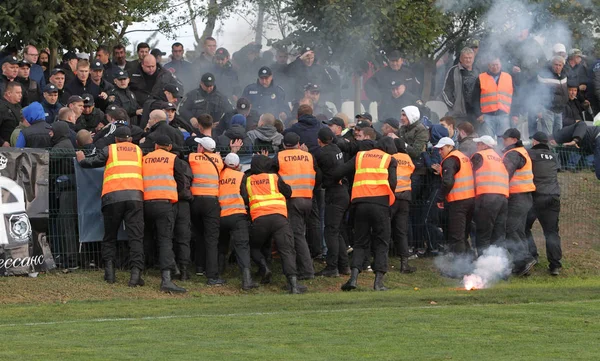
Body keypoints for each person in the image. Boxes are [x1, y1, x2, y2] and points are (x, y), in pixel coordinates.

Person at [76, 126, 145, 287]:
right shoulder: (138, 151)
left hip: (113, 197)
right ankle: (135, 275)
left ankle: (110, 274)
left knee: (110, 236)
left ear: (115, 139)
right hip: (135, 197)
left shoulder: (110, 150)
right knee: (136, 237)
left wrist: (81, 159)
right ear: (130, 139)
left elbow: (93, 162)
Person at [335, 137, 397, 291]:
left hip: (360, 205)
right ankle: (378, 283)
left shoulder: (360, 156)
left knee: (360, 242)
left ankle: (353, 279)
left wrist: (338, 181)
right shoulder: (390, 159)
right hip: (380, 205)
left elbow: (340, 171)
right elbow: (393, 183)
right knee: (382, 242)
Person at [245, 154, 305, 294]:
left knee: (254, 247)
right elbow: (288, 193)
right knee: (287, 250)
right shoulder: (274, 177)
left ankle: (264, 267)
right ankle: (293, 285)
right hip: (279, 219)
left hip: (259, 219)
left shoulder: (248, 180)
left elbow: (244, 197)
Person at [141, 134, 188, 293]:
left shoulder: (145, 158)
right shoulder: (172, 158)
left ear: (155, 146)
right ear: (169, 147)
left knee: (145, 238)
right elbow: (182, 183)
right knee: (165, 240)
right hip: (165, 204)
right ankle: (166, 279)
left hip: (146, 203)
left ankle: (139, 272)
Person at [273, 132, 319, 280]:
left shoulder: (280, 156)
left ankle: (306, 271)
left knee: (297, 235)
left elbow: (269, 171)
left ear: (284, 144)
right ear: (299, 144)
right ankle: (305, 266)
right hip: (308, 198)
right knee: (302, 233)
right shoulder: (309, 156)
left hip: (292, 200)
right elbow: (318, 174)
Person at [189, 136, 226, 285]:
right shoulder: (219, 161)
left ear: (201, 149)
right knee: (211, 238)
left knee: (198, 234)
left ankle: (199, 266)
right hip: (211, 201)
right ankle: (212, 275)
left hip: (195, 201)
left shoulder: (192, 157)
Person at [217, 153, 257, 290]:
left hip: (221, 215)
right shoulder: (241, 176)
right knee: (242, 246)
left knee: (221, 244)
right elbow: (245, 197)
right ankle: (246, 280)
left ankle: (219, 273)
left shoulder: (218, 175)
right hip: (237, 215)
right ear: (238, 165)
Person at [501, 128, 537, 276]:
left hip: (517, 196)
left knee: (509, 229)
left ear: (514, 140)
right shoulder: (521, 151)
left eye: (505, 138)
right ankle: (522, 266)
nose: (503, 141)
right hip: (525, 196)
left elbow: (505, 173)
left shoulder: (513, 153)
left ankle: (524, 260)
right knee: (518, 230)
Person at [314, 127, 350, 276]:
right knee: (337, 231)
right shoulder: (336, 148)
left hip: (334, 194)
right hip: (343, 193)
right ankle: (344, 266)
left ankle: (332, 267)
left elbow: (319, 175)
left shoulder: (321, 154)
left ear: (319, 140)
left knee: (330, 232)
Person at [525, 132, 562, 275]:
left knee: (524, 227)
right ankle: (555, 265)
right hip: (553, 196)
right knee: (552, 232)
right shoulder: (554, 156)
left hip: (535, 196)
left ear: (534, 142)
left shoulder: (529, 154)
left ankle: (532, 256)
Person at [433, 137, 475, 256]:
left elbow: (448, 182)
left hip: (458, 202)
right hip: (470, 199)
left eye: (442, 149)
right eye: (439, 149)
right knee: (463, 235)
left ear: (450, 147)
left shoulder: (450, 160)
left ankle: (460, 267)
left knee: (457, 236)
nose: (440, 152)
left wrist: (440, 198)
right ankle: (469, 261)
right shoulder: (462, 157)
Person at [470, 135, 509, 255]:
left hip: (487, 197)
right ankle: (498, 266)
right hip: (503, 198)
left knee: (483, 233)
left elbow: (469, 173)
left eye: (479, 144)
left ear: (485, 145)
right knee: (498, 234)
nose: (477, 146)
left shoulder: (479, 156)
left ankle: (483, 265)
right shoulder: (499, 157)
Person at [390, 136, 416, 272]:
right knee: (401, 231)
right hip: (405, 197)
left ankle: (379, 260)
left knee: (384, 228)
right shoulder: (407, 158)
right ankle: (404, 264)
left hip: (392, 196)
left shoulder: (390, 157)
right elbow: (412, 170)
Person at [472, 56, 515, 139]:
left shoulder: (508, 77)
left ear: (500, 64)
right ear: (488, 66)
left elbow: (515, 97)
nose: (495, 67)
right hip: (487, 117)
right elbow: (475, 98)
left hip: (504, 115)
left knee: (504, 141)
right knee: (487, 141)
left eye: (497, 64)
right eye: (492, 65)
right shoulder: (481, 78)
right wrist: (478, 114)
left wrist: (515, 114)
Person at [442, 47, 479, 124]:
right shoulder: (453, 71)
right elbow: (446, 91)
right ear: (461, 59)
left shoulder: (478, 71)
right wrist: (454, 106)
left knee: (474, 135)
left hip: (475, 114)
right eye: (465, 58)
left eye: (470, 58)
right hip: (458, 115)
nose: (468, 60)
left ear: (473, 59)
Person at [536, 56, 569, 136]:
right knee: (548, 135)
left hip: (560, 110)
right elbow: (539, 93)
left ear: (562, 66)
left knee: (558, 135)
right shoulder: (545, 75)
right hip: (548, 110)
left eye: (559, 65)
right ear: (552, 65)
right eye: (556, 65)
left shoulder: (564, 75)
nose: (557, 67)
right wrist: (539, 109)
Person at [0, 82, 23, 147]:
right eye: (17, 93)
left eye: (21, 92)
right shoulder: (1, 107)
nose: (20, 95)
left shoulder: (18, 106)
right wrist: (2, 142)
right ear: (9, 93)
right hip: (4, 148)